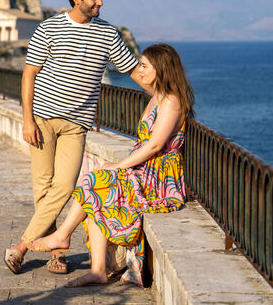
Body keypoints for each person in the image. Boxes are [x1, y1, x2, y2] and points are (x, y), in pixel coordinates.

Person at [4, 0, 143, 275]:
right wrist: (27, 120)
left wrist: (165, 92)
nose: (100, 3)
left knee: (64, 186)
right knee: (43, 187)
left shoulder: (107, 33)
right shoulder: (49, 28)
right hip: (41, 119)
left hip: (76, 125)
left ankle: (21, 247)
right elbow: (29, 74)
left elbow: (133, 69)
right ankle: (56, 253)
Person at [25, 43, 194, 287]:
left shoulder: (171, 101)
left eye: (145, 66)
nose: (140, 70)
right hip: (145, 170)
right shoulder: (157, 97)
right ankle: (97, 269)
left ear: (162, 69)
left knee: (95, 182)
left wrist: (118, 166)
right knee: (94, 188)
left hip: (158, 179)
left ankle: (63, 237)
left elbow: (155, 146)